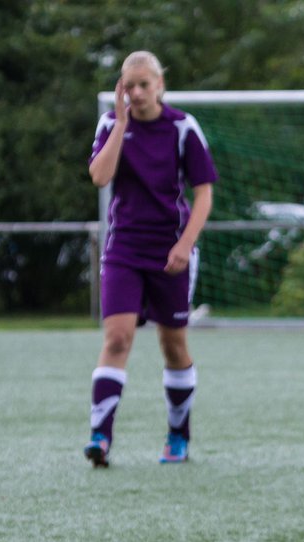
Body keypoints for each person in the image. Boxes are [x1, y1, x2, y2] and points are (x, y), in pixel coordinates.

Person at [85, 50, 217, 467]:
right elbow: (100, 177)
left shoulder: (182, 128)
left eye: (145, 84)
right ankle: (100, 438)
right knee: (117, 338)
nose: (138, 92)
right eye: (130, 85)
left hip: (169, 251)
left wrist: (185, 243)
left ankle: (178, 435)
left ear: (160, 85)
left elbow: (204, 193)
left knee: (173, 345)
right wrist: (121, 124)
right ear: (121, 88)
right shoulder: (110, 124)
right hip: (123, 249)